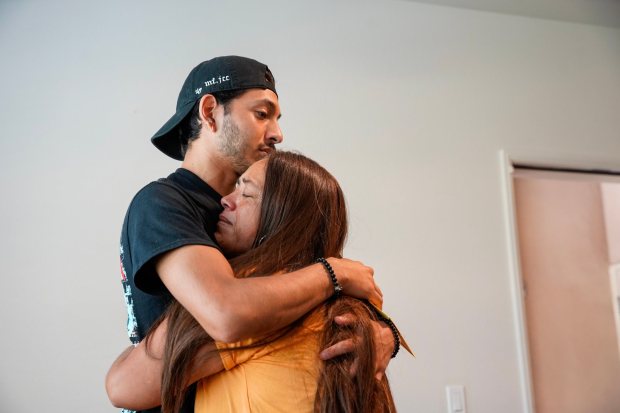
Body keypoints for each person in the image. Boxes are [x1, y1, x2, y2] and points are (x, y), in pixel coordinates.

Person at [108, 56, 395, 413]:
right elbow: (225, 311)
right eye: (262, 114)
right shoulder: (164, 203)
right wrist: (334, 272)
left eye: (275, 118)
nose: (277, 134)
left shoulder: (257, 215)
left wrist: (378, 332)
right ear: (210, 112)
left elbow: (306, 291)